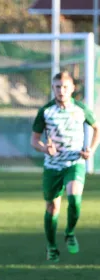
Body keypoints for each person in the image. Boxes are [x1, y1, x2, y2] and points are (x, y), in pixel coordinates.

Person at [31, 70, 99, 263]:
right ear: (53, 88)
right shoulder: (46, 111)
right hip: (53, 166)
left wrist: (91, 150)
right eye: (58, 87)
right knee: (52, 207)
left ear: (72, 89)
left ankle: (69, 232)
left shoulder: (80, 109)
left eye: (65, 87)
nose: (61, 90)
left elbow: (96, 128)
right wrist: (45, 149)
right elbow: (34, 140)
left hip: (74, 163)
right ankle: (52, 247)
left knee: (74, 198)